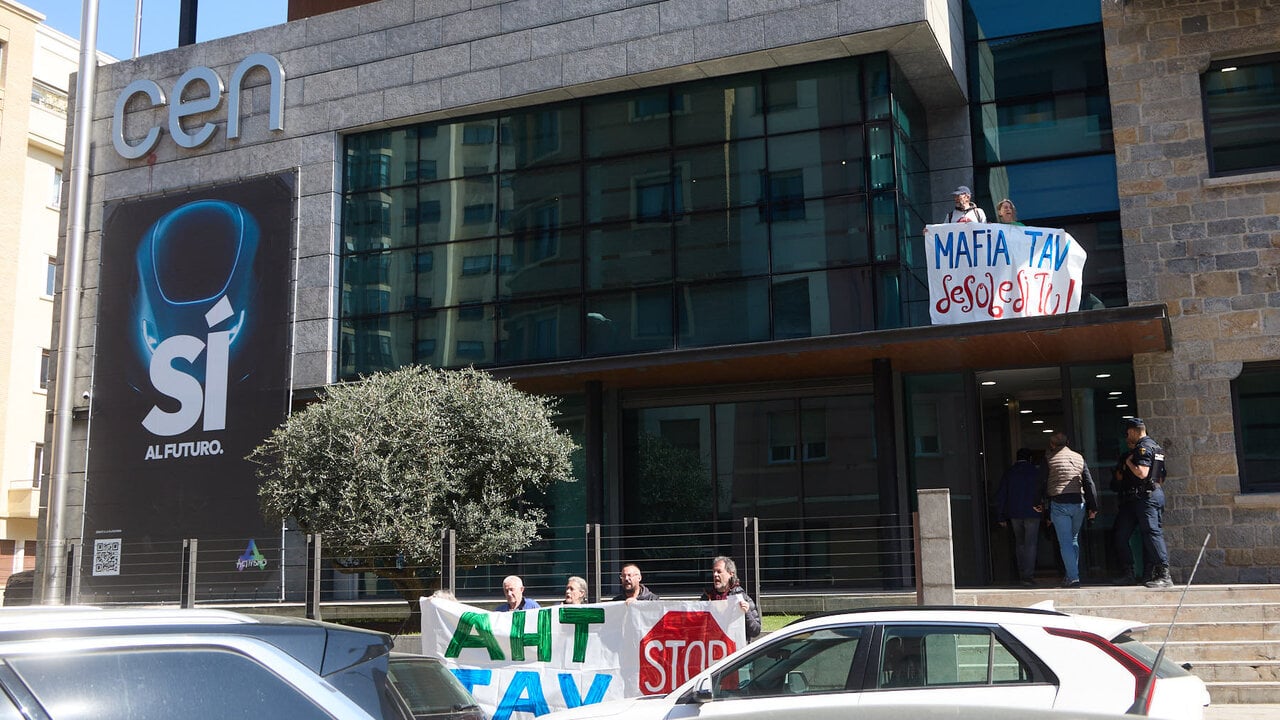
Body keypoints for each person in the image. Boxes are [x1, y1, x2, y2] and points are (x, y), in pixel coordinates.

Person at [1111, 418, 1172, 589]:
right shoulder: (1156, 447)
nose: (1127, 436)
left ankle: (1163, 574)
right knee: (1139, 534)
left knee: (1152, 534)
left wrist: (1129, 462)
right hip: (1148, 495)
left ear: (1133, 431)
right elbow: (1161, 477)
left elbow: (1142, 472)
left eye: (1128, 433)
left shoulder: (1142, 447)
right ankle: (1137, 574)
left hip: (1145, 497)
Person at [1035, 433, 1098, 588]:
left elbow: (1041, 482)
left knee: (1065, 543)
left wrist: (1037, 502)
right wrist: (1093, 507)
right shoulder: (1079, 458)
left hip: (1059, 503)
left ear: (1052, 445)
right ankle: (1071, 574)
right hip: (1079, 504)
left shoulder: (1049, 459)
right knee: (1073, 539)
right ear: (1068, 442)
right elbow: (1089, 483)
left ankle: (1073, 577)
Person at [995, 448, 1042, 586]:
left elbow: (1002, 495)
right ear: (1030, 459)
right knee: (1031, 544)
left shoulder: (1010, 472)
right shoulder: (1035, 471)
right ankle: (1028, 575)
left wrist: (1001, 516)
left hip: (1014, 513)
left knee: (1020, 543)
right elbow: (1042, 490)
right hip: (1033, 512)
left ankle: (1022, 574)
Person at [700, 556, 761, 640]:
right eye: (714, 572)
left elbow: (756, 631)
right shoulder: (707, 597)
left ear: (731, 574)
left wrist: (747, 613)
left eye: (719, 571)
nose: (715, 575)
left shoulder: (741, 597)